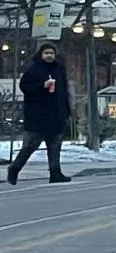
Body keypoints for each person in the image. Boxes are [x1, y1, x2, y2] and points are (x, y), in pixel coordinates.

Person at [7, 43, 72, 185]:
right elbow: (25, 87)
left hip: (56, 115)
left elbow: (64, 92)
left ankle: (55, 172)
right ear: (41, 55)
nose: (49, 56)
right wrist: (42, 86)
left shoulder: (59, 70)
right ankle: (14, 169)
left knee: (55, 146)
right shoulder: (34, 70)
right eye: (46, 53)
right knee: (30, 146)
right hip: (38, 117)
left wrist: (67, 111)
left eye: (51, 53)